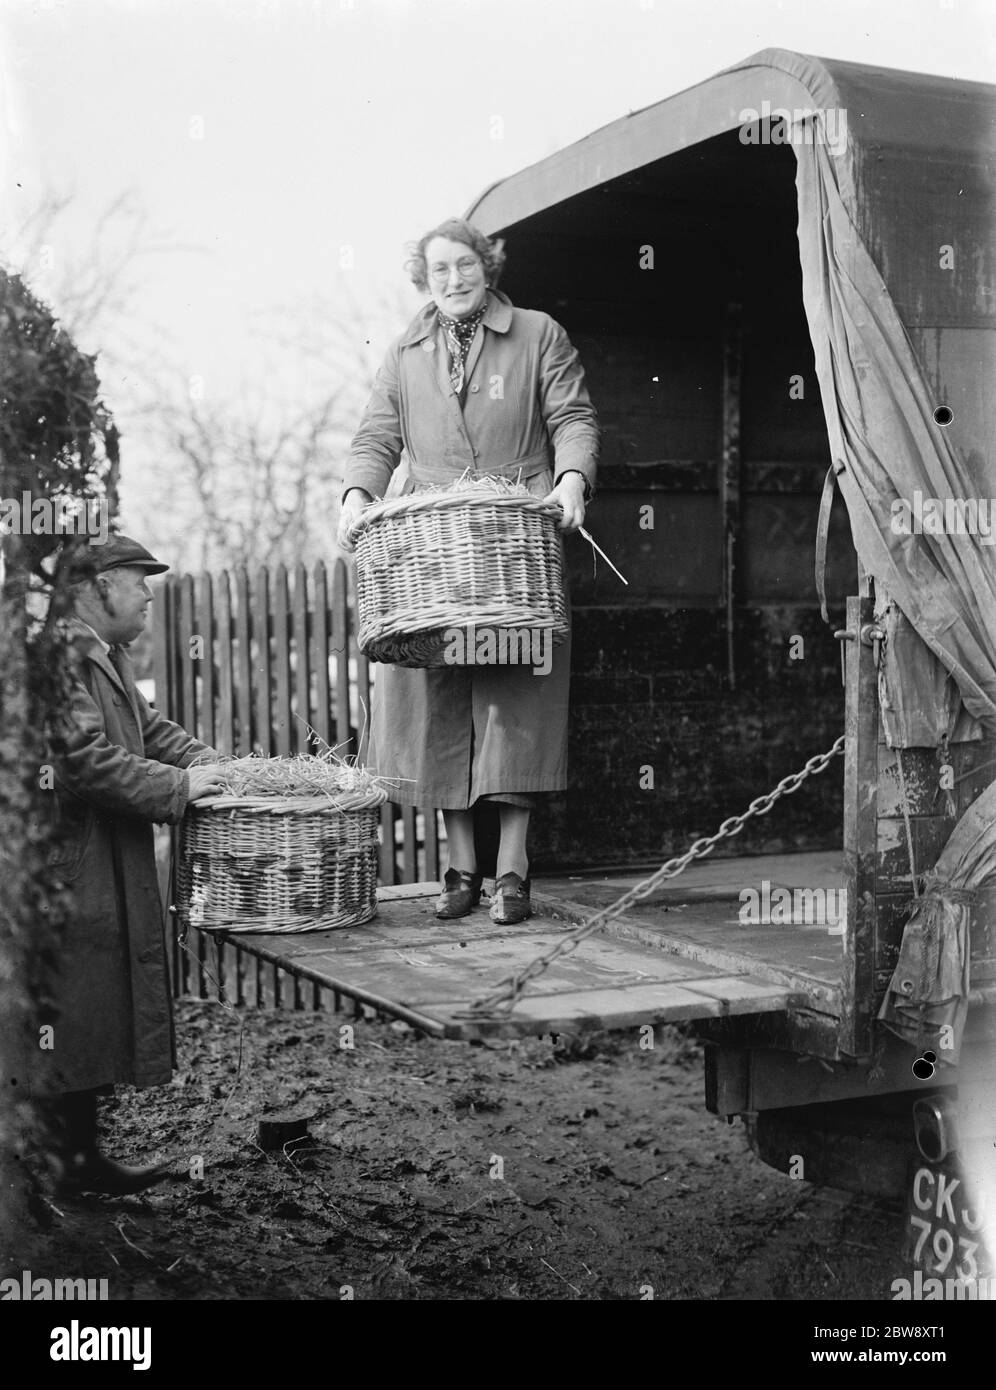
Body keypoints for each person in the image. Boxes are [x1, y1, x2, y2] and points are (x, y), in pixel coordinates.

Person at [337, 218, 599, 925]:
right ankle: (460, 871)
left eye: (464, 265)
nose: (453, 279)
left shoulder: (538, 334)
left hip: (514, 547)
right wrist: (358, 493)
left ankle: (512, 873)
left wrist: (571, 480)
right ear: (424, 279)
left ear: (488, 266)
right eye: (438, 270)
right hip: (431, 557)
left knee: (518, 699)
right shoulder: (403, 352)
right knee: (438, 699)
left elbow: (573, 417)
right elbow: (376, 435)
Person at [37, 535, 228, 1195]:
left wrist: (208, 764)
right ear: (97, 588)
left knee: (89, 1009)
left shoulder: (102, 655)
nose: (148, 593)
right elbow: (80, 759)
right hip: (66, 866)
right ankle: (58, 1169)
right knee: (71, 1009)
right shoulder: (59, 656)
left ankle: (78, 1162)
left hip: (95, 860)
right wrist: (177, 791)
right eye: (137, 580)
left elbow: (152, 731)